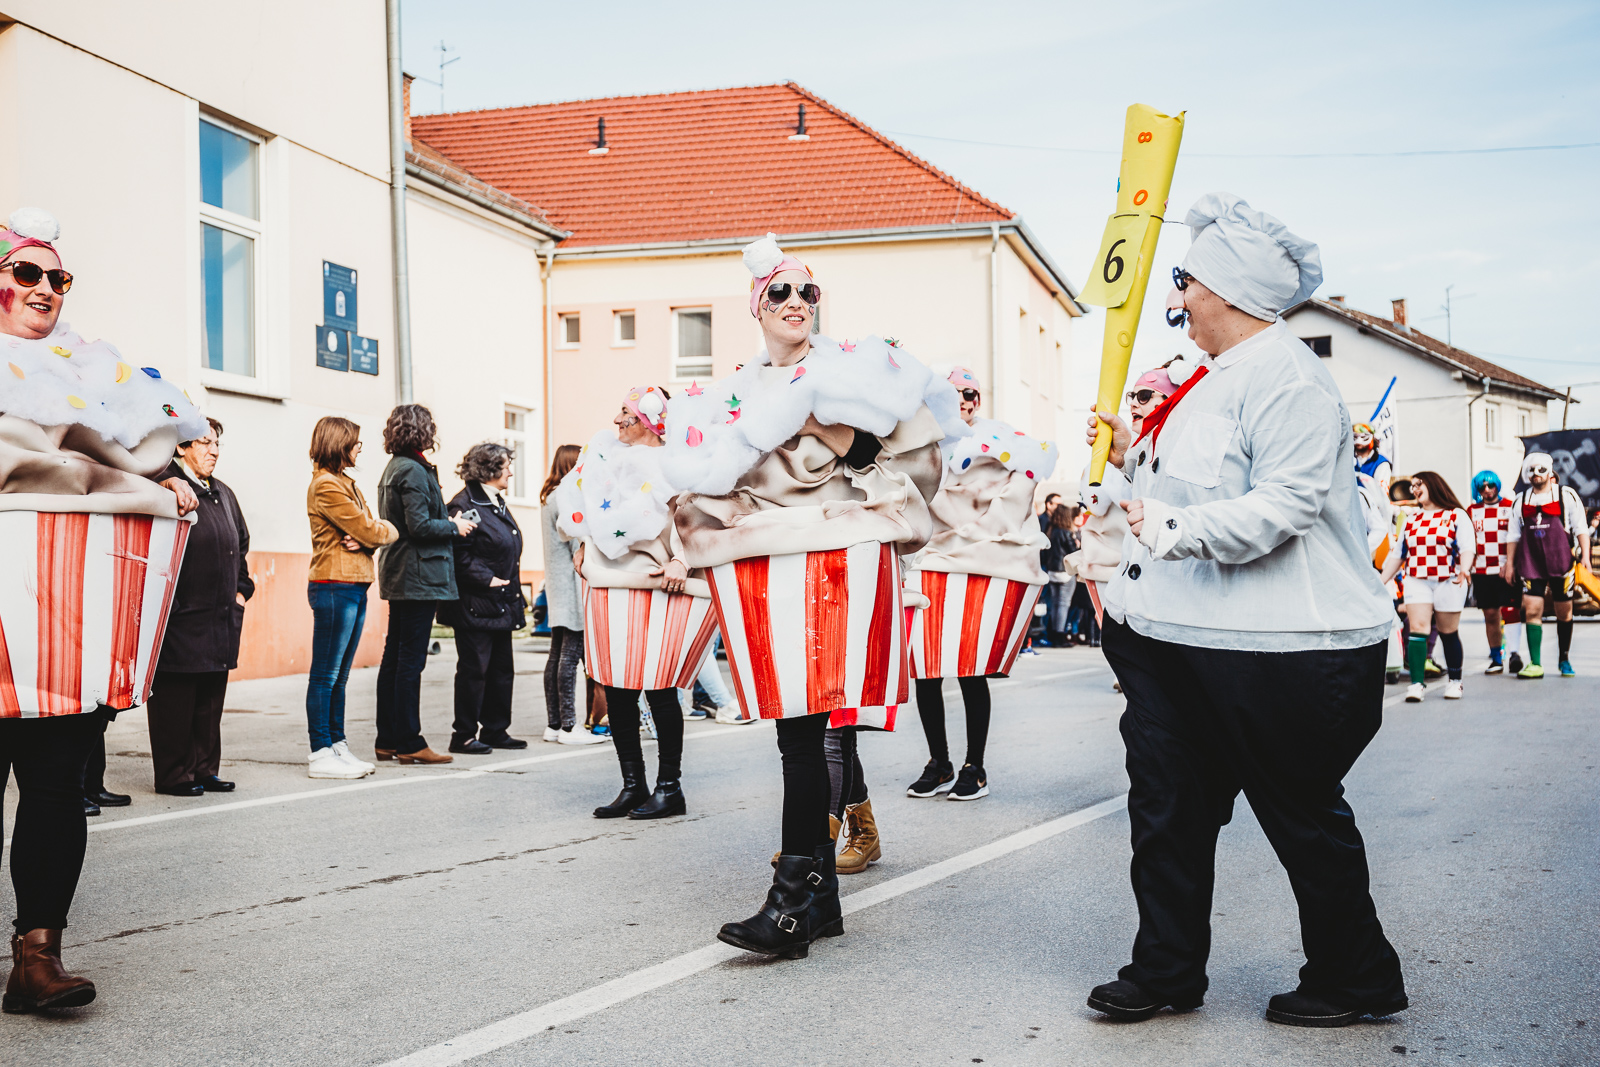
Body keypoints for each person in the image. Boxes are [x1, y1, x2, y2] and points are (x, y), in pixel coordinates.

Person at [1085, 193, 1407, 1028]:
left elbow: (1284, 507)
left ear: (1225, 288)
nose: (1179, 297)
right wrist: (1132, 459)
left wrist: (1168, 523)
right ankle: (1164, 969)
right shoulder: (1205, 381)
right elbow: (1189, 488)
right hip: (1173, 640)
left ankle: (1355, 975)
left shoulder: (1293, 378)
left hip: (1287, 648)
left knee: (1301, 815)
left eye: (1187, 281)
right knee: (1166, 809)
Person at [662, 232, 958, 958]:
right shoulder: (739, 388)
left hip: (836, 559)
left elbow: (914, 459)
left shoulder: (853, 375)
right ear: (757, 307)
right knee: (801, 726)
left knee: (807, 726)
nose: (796, 302)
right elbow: (702, 475)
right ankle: (818, 899)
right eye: (780, 293)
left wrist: (834, 430)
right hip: (768, 566)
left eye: (808, 292)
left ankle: (792, 904)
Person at [0, 207, 202, 1013]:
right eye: (27, 272)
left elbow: (139, 444)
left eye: (58, 277)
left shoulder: (85, 372)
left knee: (54, 782)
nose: (45, 287)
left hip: (68, 607)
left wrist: (161, 485)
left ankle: (36, 957)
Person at [558, 385, 714, 820]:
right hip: (608, 582)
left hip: (657, 582)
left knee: (660, 688)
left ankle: (670, 788)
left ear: (646, 420)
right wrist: (583, 544)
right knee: (618, 690)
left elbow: (694, 515)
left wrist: (683, 560)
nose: (616, 421)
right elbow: (584, 508)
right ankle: (633, 785)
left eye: (624, 413)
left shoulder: (675, 463)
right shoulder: (603, 457)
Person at [905, 367, 1057, 802]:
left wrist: (975, 531)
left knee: (971, 669)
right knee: (926, 668)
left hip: (982, 562)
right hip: (933, 559)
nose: (964, 401)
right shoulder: (925, 443)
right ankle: (939, 762)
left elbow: (1013, 500)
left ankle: (975, 766)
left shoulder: (1002, 442)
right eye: (955, 395)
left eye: (971, 393)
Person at [147, 418, 254, 797]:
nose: (213, 450)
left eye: (217, 444)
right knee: (176, 697)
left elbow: (239, 543)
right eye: (204, 443)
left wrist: (242, 590)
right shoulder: (165, 483)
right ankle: (175, 774)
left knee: (210, 698)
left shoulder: (222, 492)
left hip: (221, 615)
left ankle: (205, 769)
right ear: (181, 447)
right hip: (182, 616)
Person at [375, 404, 476, 764]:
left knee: (394, 657)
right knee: (409, 661)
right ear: (423, 432)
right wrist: (454, 526)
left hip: (401, 572)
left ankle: (387, 738)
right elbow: (417, 527)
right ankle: (409, 741)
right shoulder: (414, 470)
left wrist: (445, 518)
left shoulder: (396, 467)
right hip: (418, 576)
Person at [305, 416, 397, 779]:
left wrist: (373, 534)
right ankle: (320, 752)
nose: (360, 448)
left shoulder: (345, 483)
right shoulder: (327, 486)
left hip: (354, 583)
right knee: (325, 675)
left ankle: (337, 744)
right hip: (333, 585)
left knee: (340, 676)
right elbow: (370, 527)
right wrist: (374, 534)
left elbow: (374, 528)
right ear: (338, 444)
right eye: (356, 442)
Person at [439, 443, 528, 753]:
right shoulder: (464, 504)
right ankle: (462, 734)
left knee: (502, 670)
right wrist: (486, 579)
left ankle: (495, 729)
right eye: (505, 466)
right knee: (474, 670)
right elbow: (457, 555)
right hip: (476, 603)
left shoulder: (495, 501)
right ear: (489, 470)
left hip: (500, 600)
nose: (511, 471)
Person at [1378, 472, 1476, 702]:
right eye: (1412, 487)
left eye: (1418, 484)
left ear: (1434, 484)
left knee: (1447, 631)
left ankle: (1455, 681)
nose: (1415, 490)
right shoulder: (1412, 519)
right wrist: (1379, 581)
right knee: (1417, 630)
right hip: (1417, 579)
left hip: (1449, 579)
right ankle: (1416, 684)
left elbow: (1467, 546)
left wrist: (1465, 568)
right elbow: (1398, 554)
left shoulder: (1456, 515)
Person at [1502, 452, 1590, 678]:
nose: (1536, 474)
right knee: (1531, 610)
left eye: (1541, 469)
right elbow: (1513, 535)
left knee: (1565, 612)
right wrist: (1510, 564)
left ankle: (1564, 659)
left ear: (1550, 471)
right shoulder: (1521, 500)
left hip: (1561, 561)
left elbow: (1580, 528)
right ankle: (1536, 663)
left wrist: (1586, 558)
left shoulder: (1565, 495)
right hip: (1531, 562)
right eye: (1531, 470)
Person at [538, 445, 603, 745]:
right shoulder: (563, 499)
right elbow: (577, 541)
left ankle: (554, 724)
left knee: (557, 655)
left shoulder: (548, 497)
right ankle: (568, 726)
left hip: (557, 583)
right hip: (571, 582)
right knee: (570, 655)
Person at [1466, 470, 1519, 674]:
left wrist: (1511, 564)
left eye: (1491, 486)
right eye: (1482, 487)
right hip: (1481, 570)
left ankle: (1514, 653)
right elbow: (1467, 540)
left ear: (1497, 485)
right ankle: (1496, 657)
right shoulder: (1472, 510)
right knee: (1490, 614)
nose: (1487, 490)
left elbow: (1516, 537)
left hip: (1505, 568)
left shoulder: (1510, 507)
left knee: (1510, 610)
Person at [1352, 422, 1392, 488]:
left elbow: (1381, 492)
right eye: (1355, 437)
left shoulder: (1381, 463)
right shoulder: (1349, 460)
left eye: (1363, 437)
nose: (1359, 440)